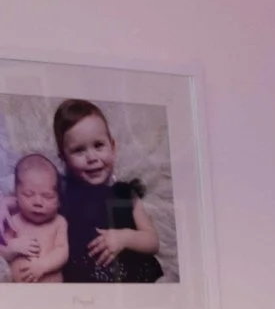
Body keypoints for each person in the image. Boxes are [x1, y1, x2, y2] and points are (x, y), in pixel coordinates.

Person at [51, 100, 161, 285]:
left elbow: (153, 241)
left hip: (136, 283)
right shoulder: (61, 195)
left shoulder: (125, 194)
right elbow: (29, 200)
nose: (92, 157)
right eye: (79, 150)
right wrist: (5, 204)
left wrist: (124, 237)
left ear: (113, 146)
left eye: (98, 145)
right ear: (63, 158)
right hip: (87, 292)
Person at [3, 155, 70, 284]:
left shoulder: (59, 222)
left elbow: (62, 252)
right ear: (16, 195)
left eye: (47, 196)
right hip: (17, 291)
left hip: (52, 290)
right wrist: (13, 248)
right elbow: (2, 252)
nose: (38, 202)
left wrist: (42, 266)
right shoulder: (13, 221)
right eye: (28, 195)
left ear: (59, 201)